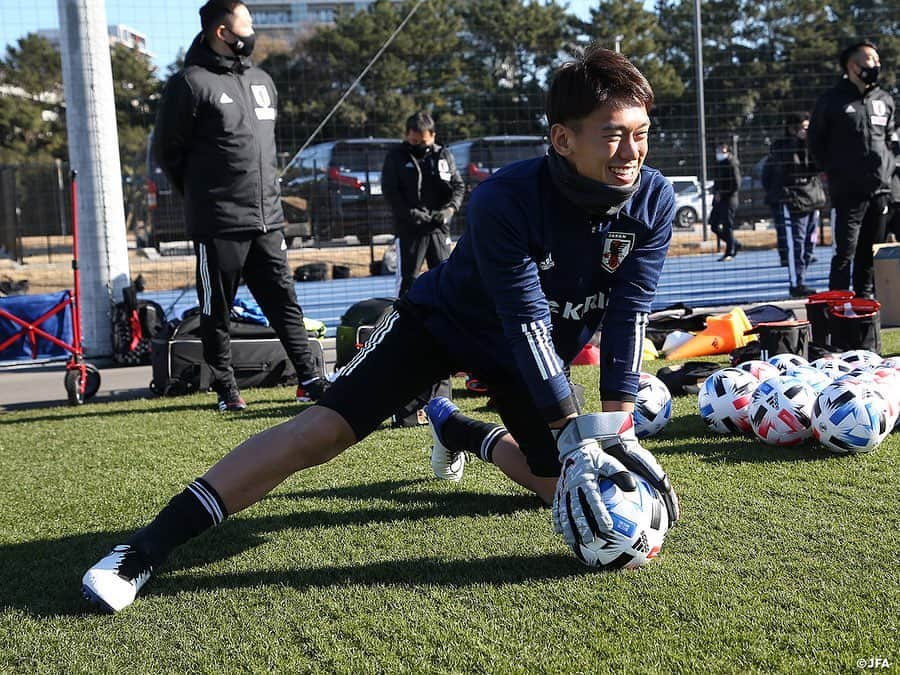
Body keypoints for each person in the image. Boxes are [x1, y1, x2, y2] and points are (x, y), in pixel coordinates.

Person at [82, 45, 679, 613]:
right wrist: (577, 433)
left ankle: (461, 431)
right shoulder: (507, 198)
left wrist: (617, 432)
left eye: (642, 134)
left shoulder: (653, 200)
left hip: (529, 352)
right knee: (320, 435)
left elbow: (628, 312)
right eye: (615, 134)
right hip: (441, 325)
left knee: (569, 492)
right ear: (562, 138)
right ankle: (140, 551)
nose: (633, 151)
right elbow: (524, 318)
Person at [152, 0, 330, 412]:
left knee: (285, 301)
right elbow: (169, 153)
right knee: (218, 309)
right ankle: (226, 388)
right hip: (219, 223)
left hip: (268, 218)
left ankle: (310, 379)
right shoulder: (190, 83)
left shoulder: (263, 80)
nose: (252, 31)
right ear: (223, 33)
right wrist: (207, 200)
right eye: (246, 24)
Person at [808, 40, 897, 298]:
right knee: (845, 250)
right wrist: (832, 172)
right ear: (853, 65)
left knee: (871, 251)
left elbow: (890, 140)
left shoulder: (884, 99)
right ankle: (837, 305)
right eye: (871, 59)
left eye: (878, 60)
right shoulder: (832, 101)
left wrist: (888, 171)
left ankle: (864, 303)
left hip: (880, 190)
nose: (877, 65)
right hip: (847, 191)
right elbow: (815, 141)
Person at [382, 111, 464, 296]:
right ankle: (405, 321)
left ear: (433, 136)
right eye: (414, 142)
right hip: (410, 228)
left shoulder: (443, 155)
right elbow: (390, 192)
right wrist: (409, 213)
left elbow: (458, 186)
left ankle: (446, 320)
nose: (418, 147)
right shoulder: (396, 157)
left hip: (438, 226)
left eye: (423, 142)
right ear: (407, 136)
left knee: (445, 277)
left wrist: (449, 211)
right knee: (408, 280)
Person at [762, 113, 827, 298]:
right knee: (795, 244)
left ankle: (802, 276)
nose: (806, 132)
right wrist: (799, 142)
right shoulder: (781, 147)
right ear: (792, 129)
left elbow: (819, 165)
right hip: (794, 201)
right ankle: (796, 283)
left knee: (809, 243)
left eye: (808, 128)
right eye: (802, 128)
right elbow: (785, 167)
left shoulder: (813, 145)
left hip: (812, 198)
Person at [708, 141, 742, 261]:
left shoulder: (732, 163)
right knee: (713, 224)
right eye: (718, 149)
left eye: (722, 149)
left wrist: (722, 193)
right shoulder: (719, 164)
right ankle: (734, 243)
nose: (719, 152)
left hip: (729, 200)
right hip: (719, 200)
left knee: (728, 226)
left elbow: (736, 184)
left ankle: (730, 251)